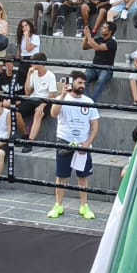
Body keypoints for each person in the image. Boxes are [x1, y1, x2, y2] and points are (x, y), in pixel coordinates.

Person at [48, 70, 98, 220]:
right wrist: (62, 95)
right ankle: (58, 205)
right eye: (79, 82)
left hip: (83, 144)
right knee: (61, 176)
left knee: (83, 177)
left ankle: (84, 205)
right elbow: (53, 113)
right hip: (64, 141)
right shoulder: (61, 98)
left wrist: (87, 143)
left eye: (84, 83)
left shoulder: (89, 102)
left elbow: (95, 126)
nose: (83, 85)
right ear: (72, 83)